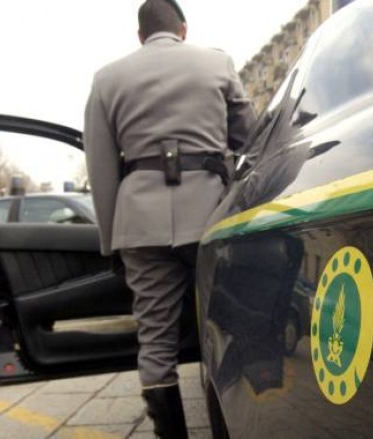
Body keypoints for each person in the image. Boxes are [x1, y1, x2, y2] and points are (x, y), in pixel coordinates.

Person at [83, 0, 256, 437]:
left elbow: (101, 169)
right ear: (183, 29)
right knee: (227, 321)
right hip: (210, 215)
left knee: (155, 340)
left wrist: (112, 240)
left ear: (140, 36)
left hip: (140, 222)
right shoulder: (217, 64)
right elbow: (250, 141)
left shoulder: (106, 79)